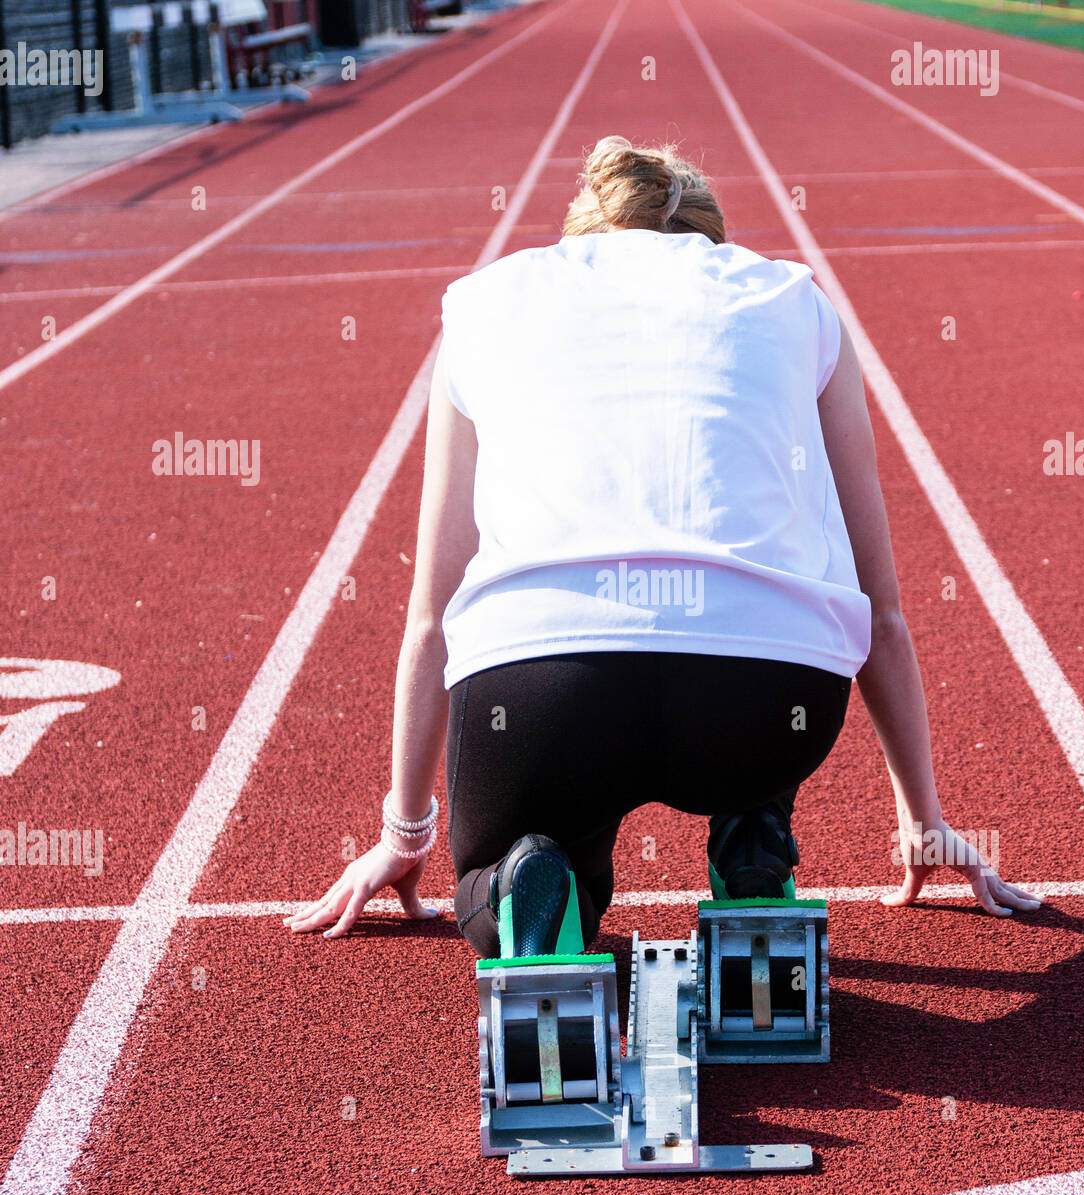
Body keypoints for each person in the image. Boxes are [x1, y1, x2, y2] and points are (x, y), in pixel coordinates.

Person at [287, 137, 1040, 956]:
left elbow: (431, 618)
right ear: (707, 245)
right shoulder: (792, 298)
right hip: (762, 707)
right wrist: (923, 819)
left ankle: (524, 885)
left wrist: (407, 832)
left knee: (525, 857)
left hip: (547, 694)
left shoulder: (484, 302)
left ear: (582, 236)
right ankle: (754, 840)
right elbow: (883, 611)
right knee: (765, 597)